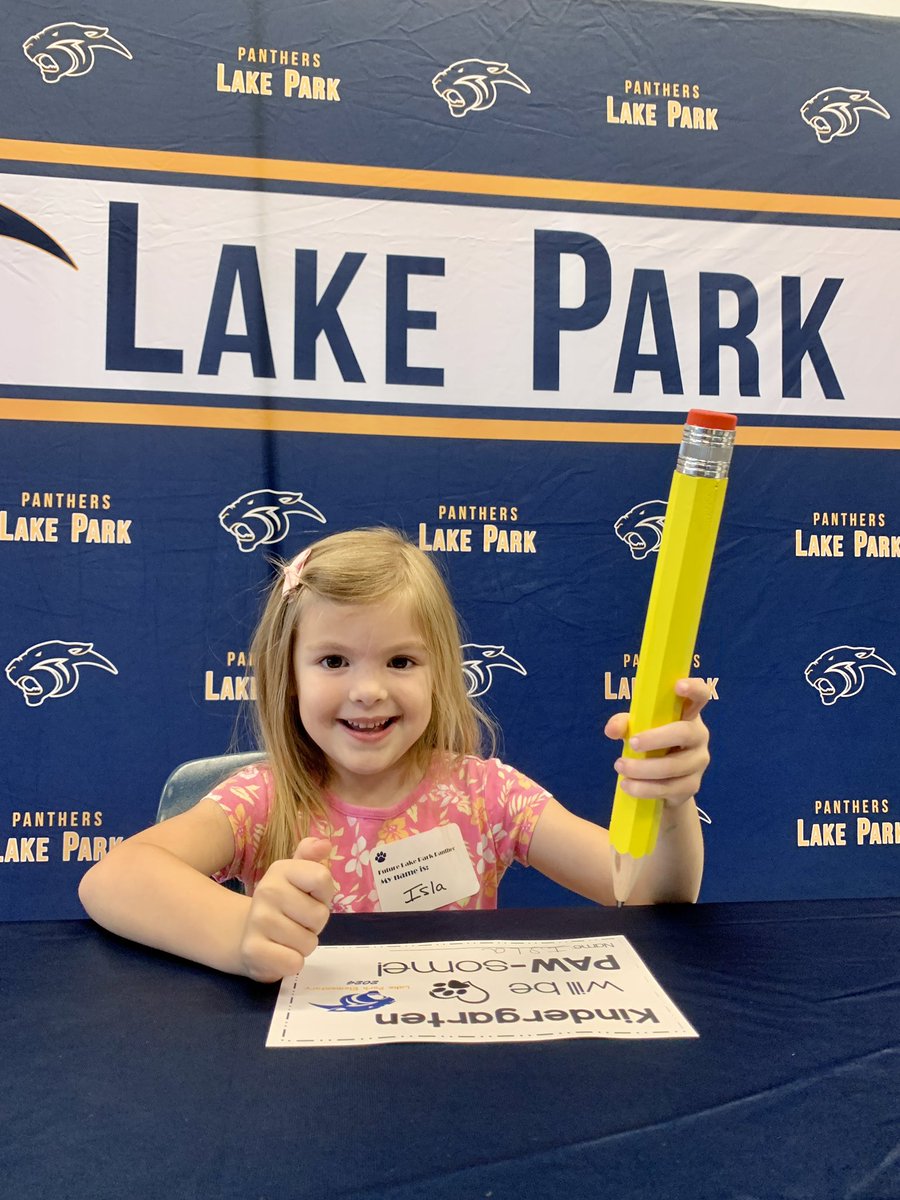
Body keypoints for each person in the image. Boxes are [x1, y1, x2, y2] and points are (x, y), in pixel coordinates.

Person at [79, 527, 711, 983]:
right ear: (288, 676)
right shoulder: (263, 800)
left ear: (440, 675)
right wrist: (242, 934)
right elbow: (112, 879)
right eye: (333, 660)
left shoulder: (486, 795)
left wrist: (672, 803)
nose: (368, 690)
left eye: (401, 661)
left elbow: (643, 892)